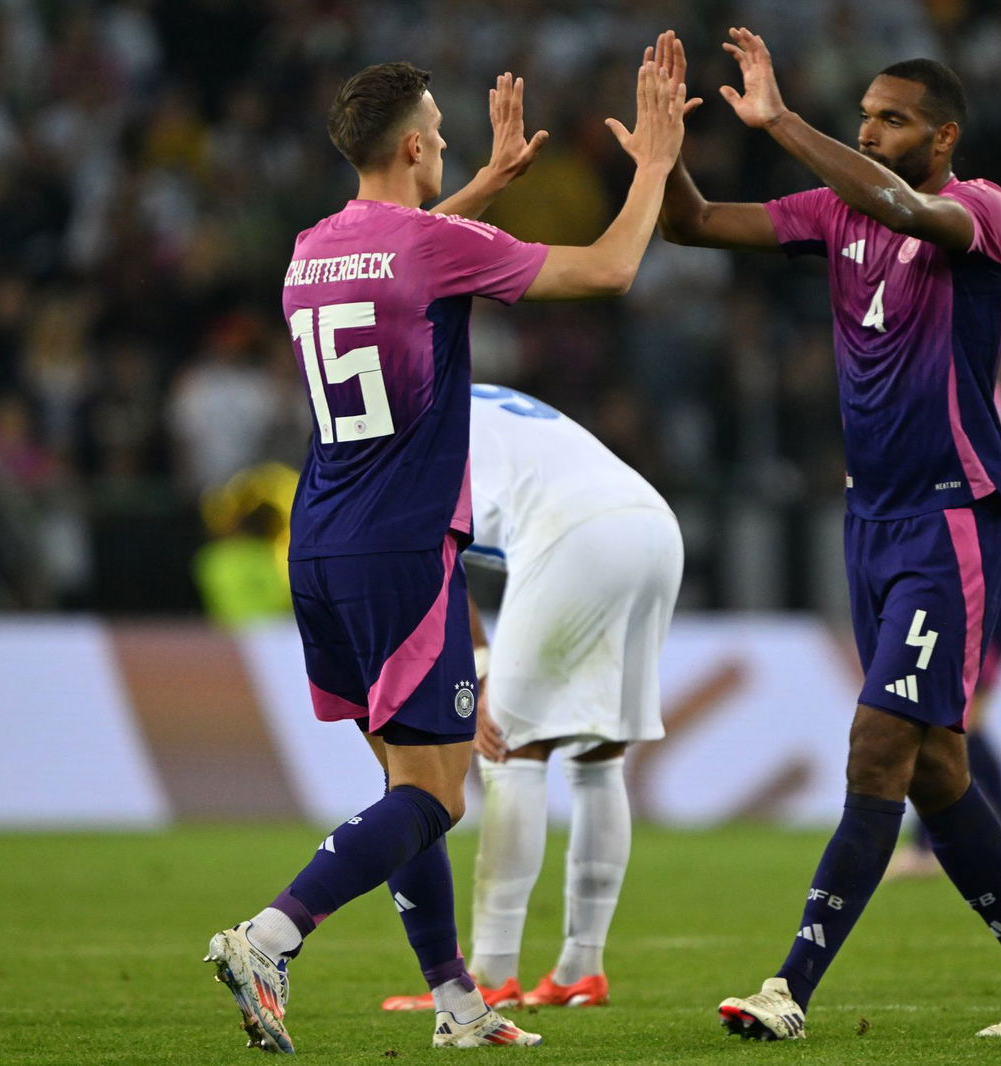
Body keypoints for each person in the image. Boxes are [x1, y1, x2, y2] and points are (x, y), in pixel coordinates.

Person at [203, 53, 692, 1054]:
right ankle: (270, 935)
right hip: (402, 543)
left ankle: (456, 1001)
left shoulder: (308, 250)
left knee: (404, 786)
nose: (451, 146)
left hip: (322, 540)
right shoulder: (436, 247)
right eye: (441, 131)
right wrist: (655, 167)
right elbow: (606, 269)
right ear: (417, 145)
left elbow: (400, 253)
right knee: (436, 792)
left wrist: (479, 194)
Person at [654, 29, 1001, 1040]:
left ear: (942, 136)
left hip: (949, 517)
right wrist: (663, 152)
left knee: (877, 741)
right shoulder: (831, 212)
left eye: (890, 118)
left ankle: (787, 988)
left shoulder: (977, 211)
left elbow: (896, 204)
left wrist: (781, 122)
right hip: (870, 520)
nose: (870, 130)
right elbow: (692, 225)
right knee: (936, 767)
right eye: (863, 113)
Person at [379, 382, 683, 1014]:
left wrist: (484, 670)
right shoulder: (473, 391)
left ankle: (490, 973)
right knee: (600, 754)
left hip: (571, 533)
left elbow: (435, 564)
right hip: (653, 524)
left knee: (508, 747)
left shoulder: (404, 430)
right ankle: (581, 967)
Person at [885, 382, 1001, 880]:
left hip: (975, 566)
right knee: (946, 712)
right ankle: (934, 843)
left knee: (955, 715)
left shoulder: (950, 398)